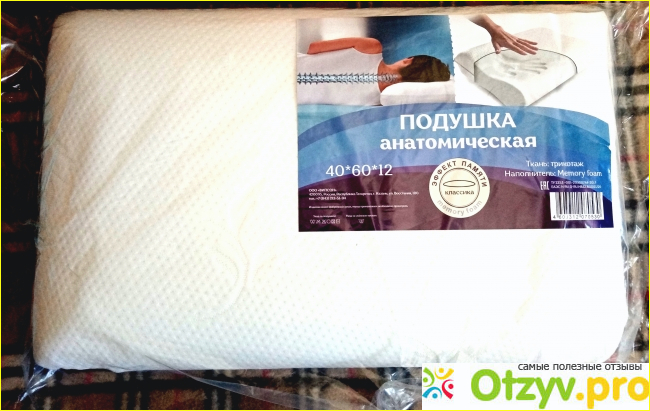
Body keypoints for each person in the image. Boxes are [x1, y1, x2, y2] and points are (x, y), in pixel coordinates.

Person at [297, 38, 450, 106]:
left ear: (408, 60)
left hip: (289, 64)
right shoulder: (375, 104)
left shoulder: (371, 47)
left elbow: (313, 48)